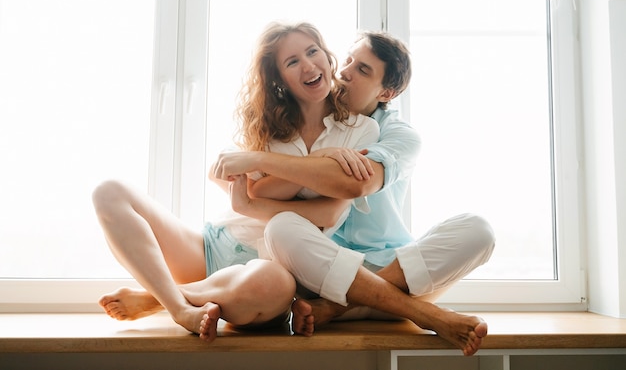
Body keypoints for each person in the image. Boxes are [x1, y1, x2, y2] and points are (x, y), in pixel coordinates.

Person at [92, 21, 379, 342]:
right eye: (292, 61)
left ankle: (154, 298)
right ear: (279, 79)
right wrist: (320, 164)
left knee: (270, 286)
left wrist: (259, 192)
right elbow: (250, 192)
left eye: (313, 52)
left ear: (328, 57)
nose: (309, 65)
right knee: (109, 192)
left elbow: (328, 214)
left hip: (270, 269)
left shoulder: (360, 130)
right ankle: (178, 307)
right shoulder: (268, 128)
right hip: (213, 249)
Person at [212, 31, 496, 356]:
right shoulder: (316, 109)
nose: (345, 71)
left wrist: (262, 162)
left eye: (363, 70)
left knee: (479, 231)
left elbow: (356, 183)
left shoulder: (398, 135)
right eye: (347, 60)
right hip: (319, 265)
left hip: (387, 264)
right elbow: (228, 164)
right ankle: (421, 312)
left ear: (387, 91)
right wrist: (251, 173)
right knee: (281, 227)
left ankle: (338, 308)